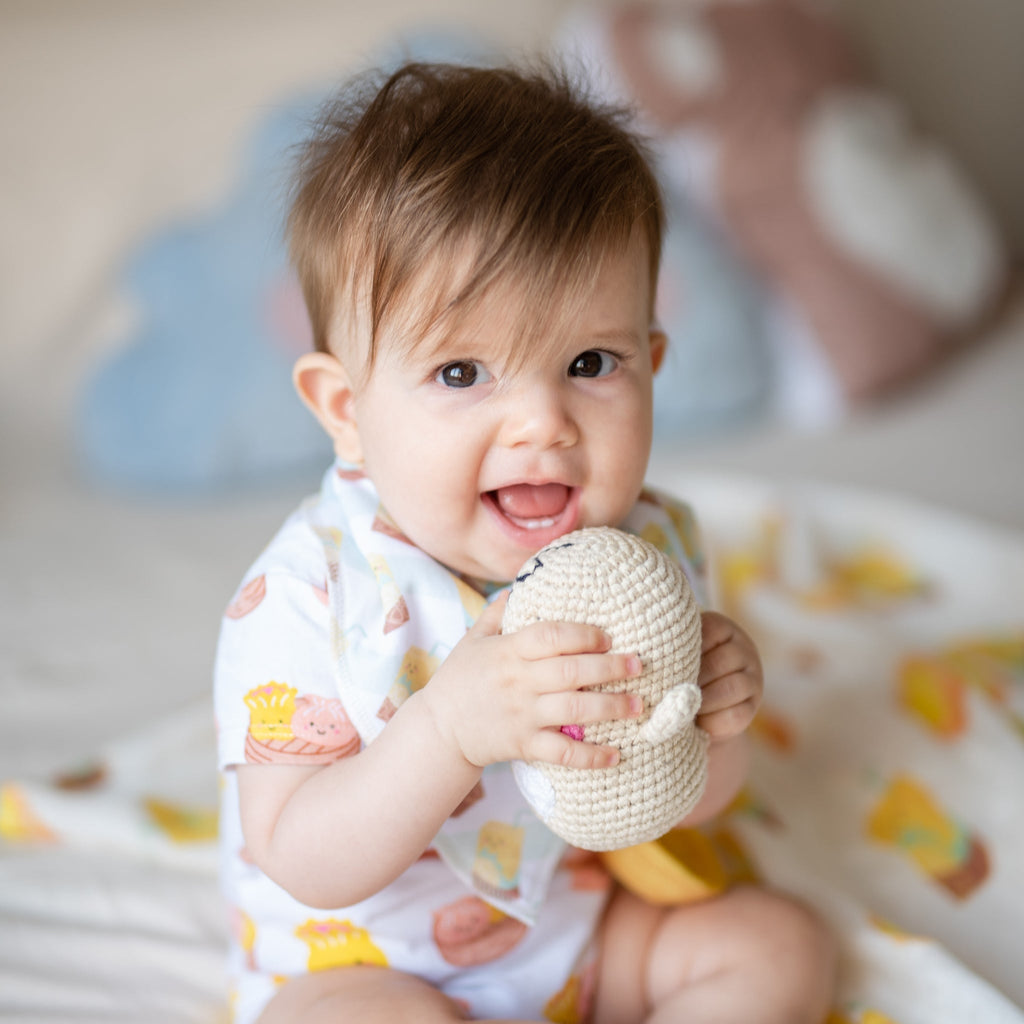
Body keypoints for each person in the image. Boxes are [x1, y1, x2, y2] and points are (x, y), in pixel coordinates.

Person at [214, 60, 836, 1024]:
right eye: (462, 373)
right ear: (345, 410)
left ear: (651, 366)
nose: (544, 422)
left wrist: (713, 720)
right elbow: (303, 858)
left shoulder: (646, 548)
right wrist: (448, 731)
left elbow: (688, 799)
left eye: (590, 362)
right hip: (365, 964)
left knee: (779, 946)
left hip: (579, 931)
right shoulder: (309, 593)